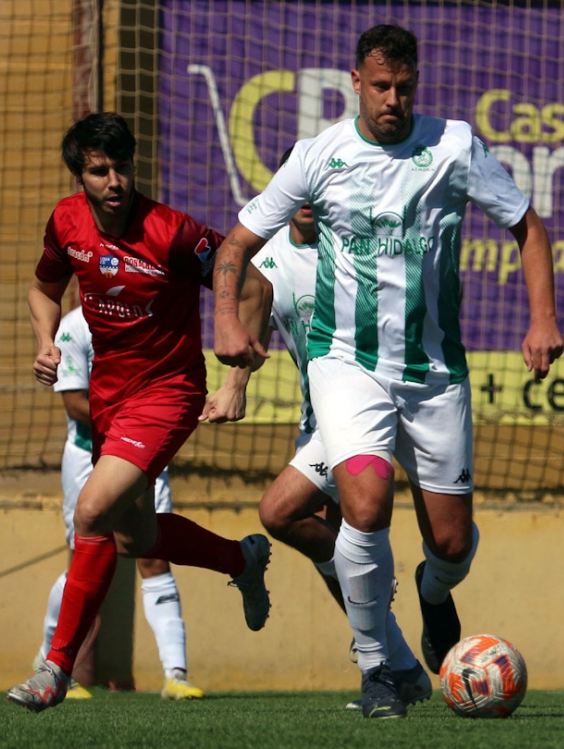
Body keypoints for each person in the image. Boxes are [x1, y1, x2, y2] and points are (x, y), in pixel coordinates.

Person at [211, 24, 564, 719]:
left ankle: (434, 593)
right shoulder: (318, 156)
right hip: (348, 368)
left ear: (416, 83)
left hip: (435, 376)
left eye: (404, 87)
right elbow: (237, 244)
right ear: (355, 82)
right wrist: (224, 320)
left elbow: (526, 225)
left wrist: (542, 318)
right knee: (365, 507)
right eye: (380, 87)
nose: (392, 100)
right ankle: (380, 668)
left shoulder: (454, 146)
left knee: (452, 546)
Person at [7, 111, 273, 713]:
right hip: (110, 396)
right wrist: (46, 342)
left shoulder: (173, 232)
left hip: (169, 392)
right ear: (82, 176)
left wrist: (237, 382)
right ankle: (242, 558)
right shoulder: (66, 221)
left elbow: (255, 288)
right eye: (99, 171)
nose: (114, 181)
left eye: (122, 167)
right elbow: (42, 291)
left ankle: (55, 668)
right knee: (136, 535)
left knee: (92, 511)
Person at [206, 147, 432, 710]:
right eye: (297, 191)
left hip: (362, 408)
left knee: (280, 512)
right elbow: (252, 305)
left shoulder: (355, 245)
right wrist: (234, 386)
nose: (307, 201)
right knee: (338, 564)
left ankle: (392, 653)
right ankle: (395, 668)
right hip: (316, 419)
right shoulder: (272, 260)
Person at [33, 305, 203, 700]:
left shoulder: (149, 318)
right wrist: (131, 420)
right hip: (88, 457)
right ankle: (52, 664)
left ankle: (176, 674)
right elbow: (75, 403)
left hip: (146, 451)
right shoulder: (73, 328)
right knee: (84, 556)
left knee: (153, 553)